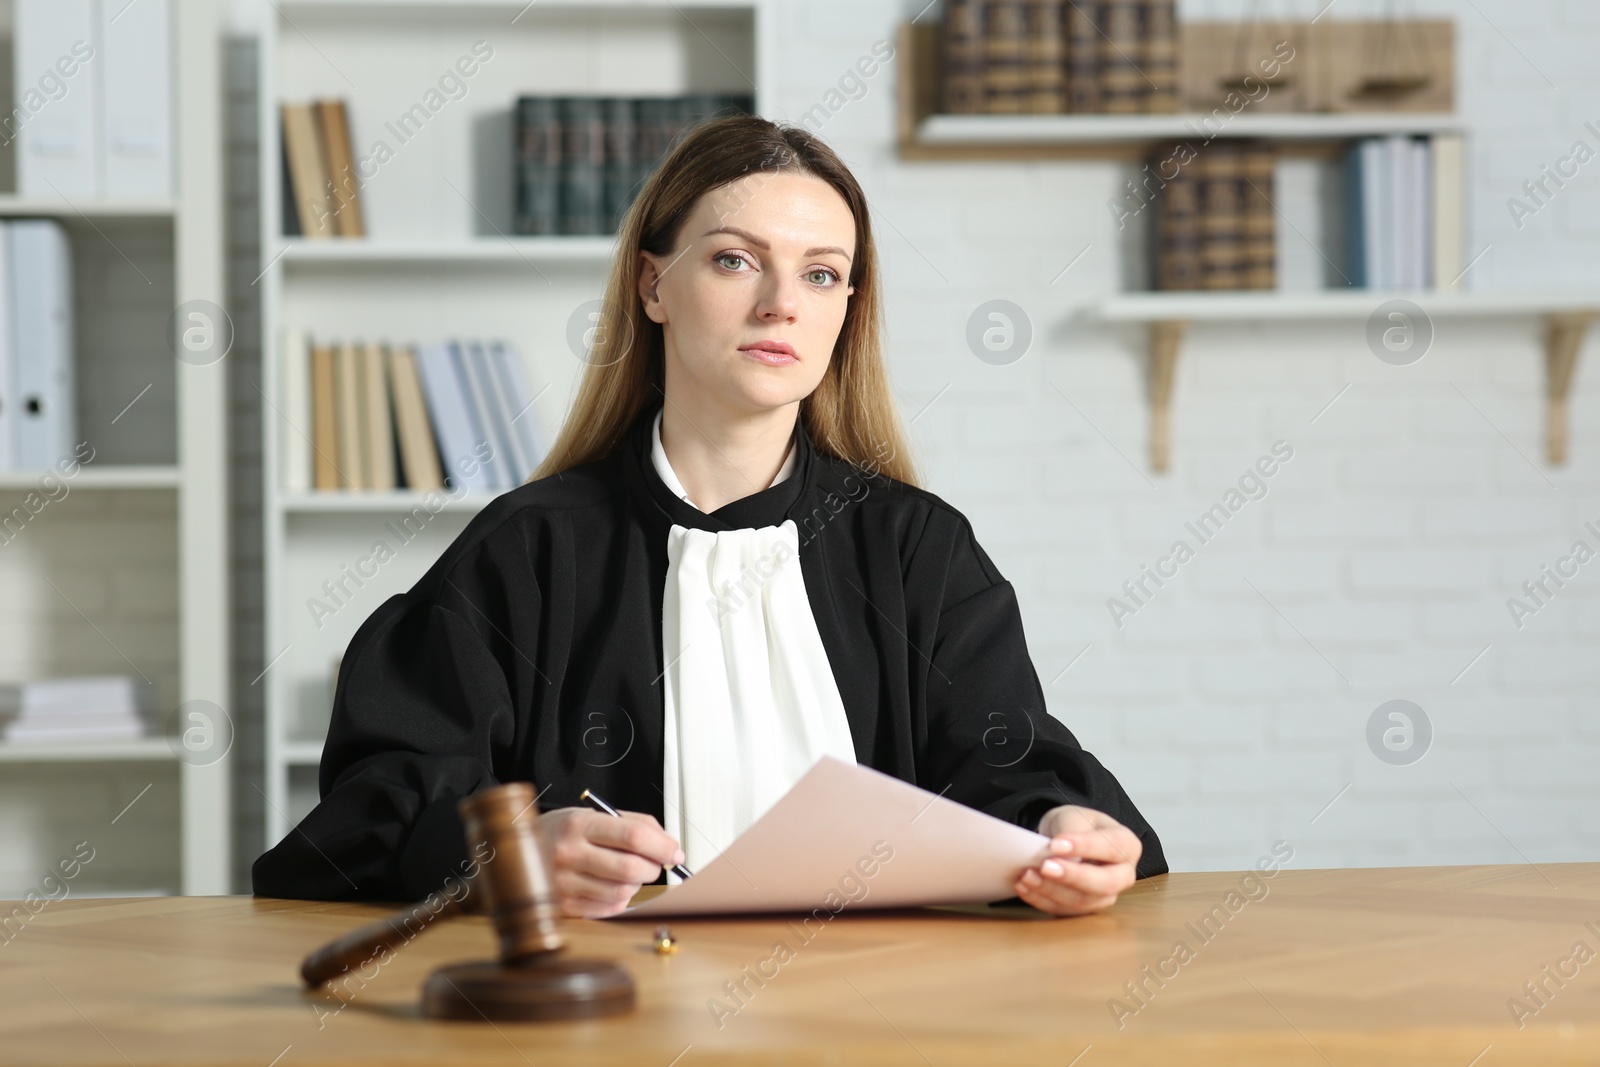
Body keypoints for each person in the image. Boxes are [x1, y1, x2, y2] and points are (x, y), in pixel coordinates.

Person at [252, 114, 1166, 918]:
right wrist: (504, 854)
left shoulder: (918, 549)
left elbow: (1006, 768)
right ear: (653, 286)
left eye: (820, 274)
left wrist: (1065, 833)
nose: (780, 304)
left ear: (848, 311)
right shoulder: (525, 553)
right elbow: (370, 809)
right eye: (736, 260)